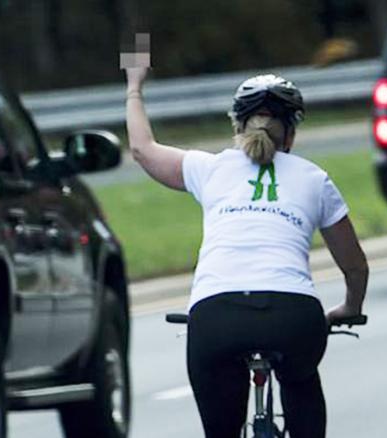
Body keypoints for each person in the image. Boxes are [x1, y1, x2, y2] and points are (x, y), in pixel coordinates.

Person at [124, 67, 368, 438]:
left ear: (237, 127)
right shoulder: (314, 178)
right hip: (293, 315)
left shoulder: (209, 168)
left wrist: (134, 84)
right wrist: (350, 307)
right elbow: (355, 267)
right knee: (301, 384)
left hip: (216, 315)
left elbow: (143, 149)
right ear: (292, 133)